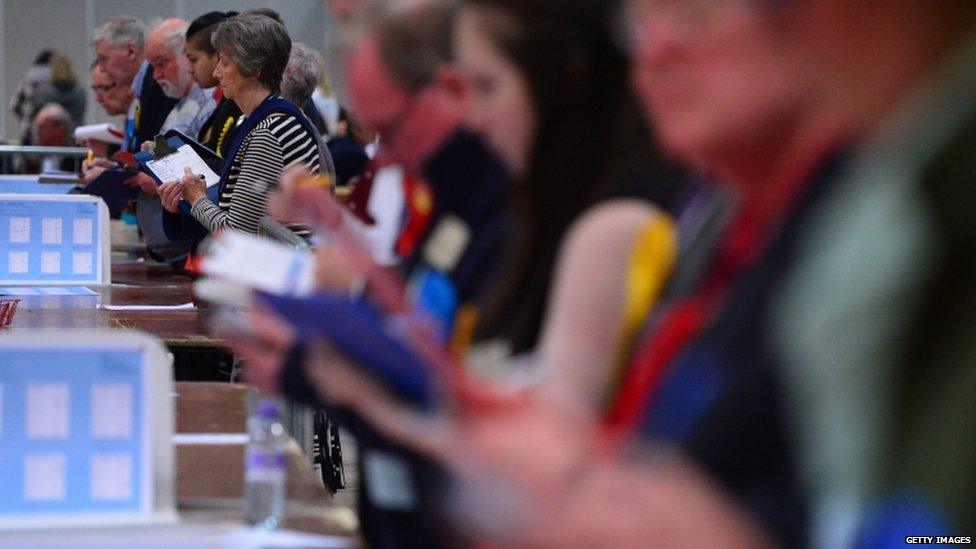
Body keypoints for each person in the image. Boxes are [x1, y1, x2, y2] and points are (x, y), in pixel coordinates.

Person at [159, 14, 327, 239]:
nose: (216, 72)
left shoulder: (269, 131)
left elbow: (238, 234)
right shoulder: (267, 119)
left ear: (255, 70)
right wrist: (182, 203)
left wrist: (196, 198)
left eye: (225, 63)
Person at [184, 11, 241, 158]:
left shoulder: (237, 101)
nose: (189, 69)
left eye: (193, 59)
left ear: (217, 56)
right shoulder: (224, 98)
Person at [24, 103, 74, 173]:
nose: (37, 132)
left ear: (61, 128)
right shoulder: (31, 156)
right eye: (36, 127)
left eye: (42, 127)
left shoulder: (76, 157)